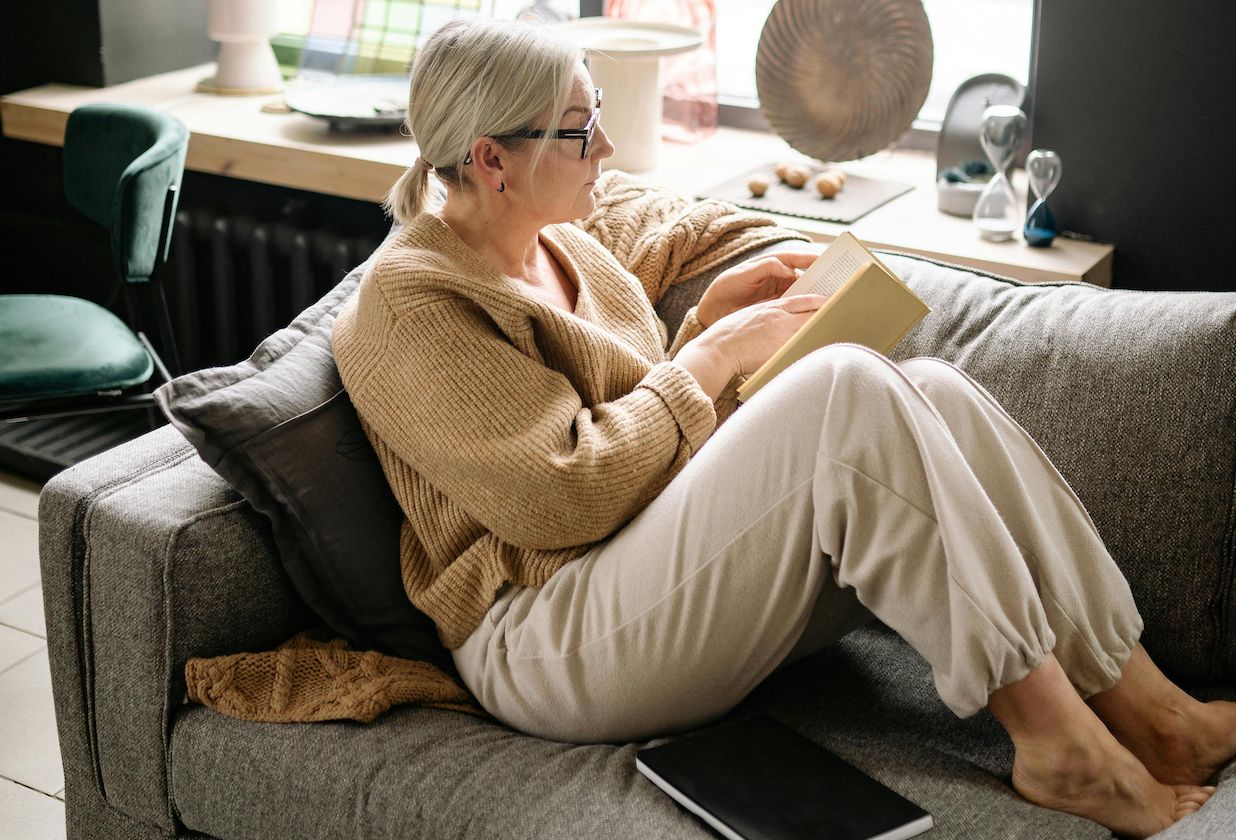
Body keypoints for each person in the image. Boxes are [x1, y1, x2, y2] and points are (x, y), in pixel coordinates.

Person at [330, 17, 1236, 838]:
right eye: (578, 127)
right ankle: (1061, 749)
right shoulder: (410, 308)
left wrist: (698, 331)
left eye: (596, 107)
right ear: (490, 159)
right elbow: (563, 498)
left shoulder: (561, 239)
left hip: (623, 571)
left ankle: (1156, 710)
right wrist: (713, 356)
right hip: (543, 640)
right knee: (847, 390)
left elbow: (630, 433)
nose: (604, 144)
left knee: (935, 390)